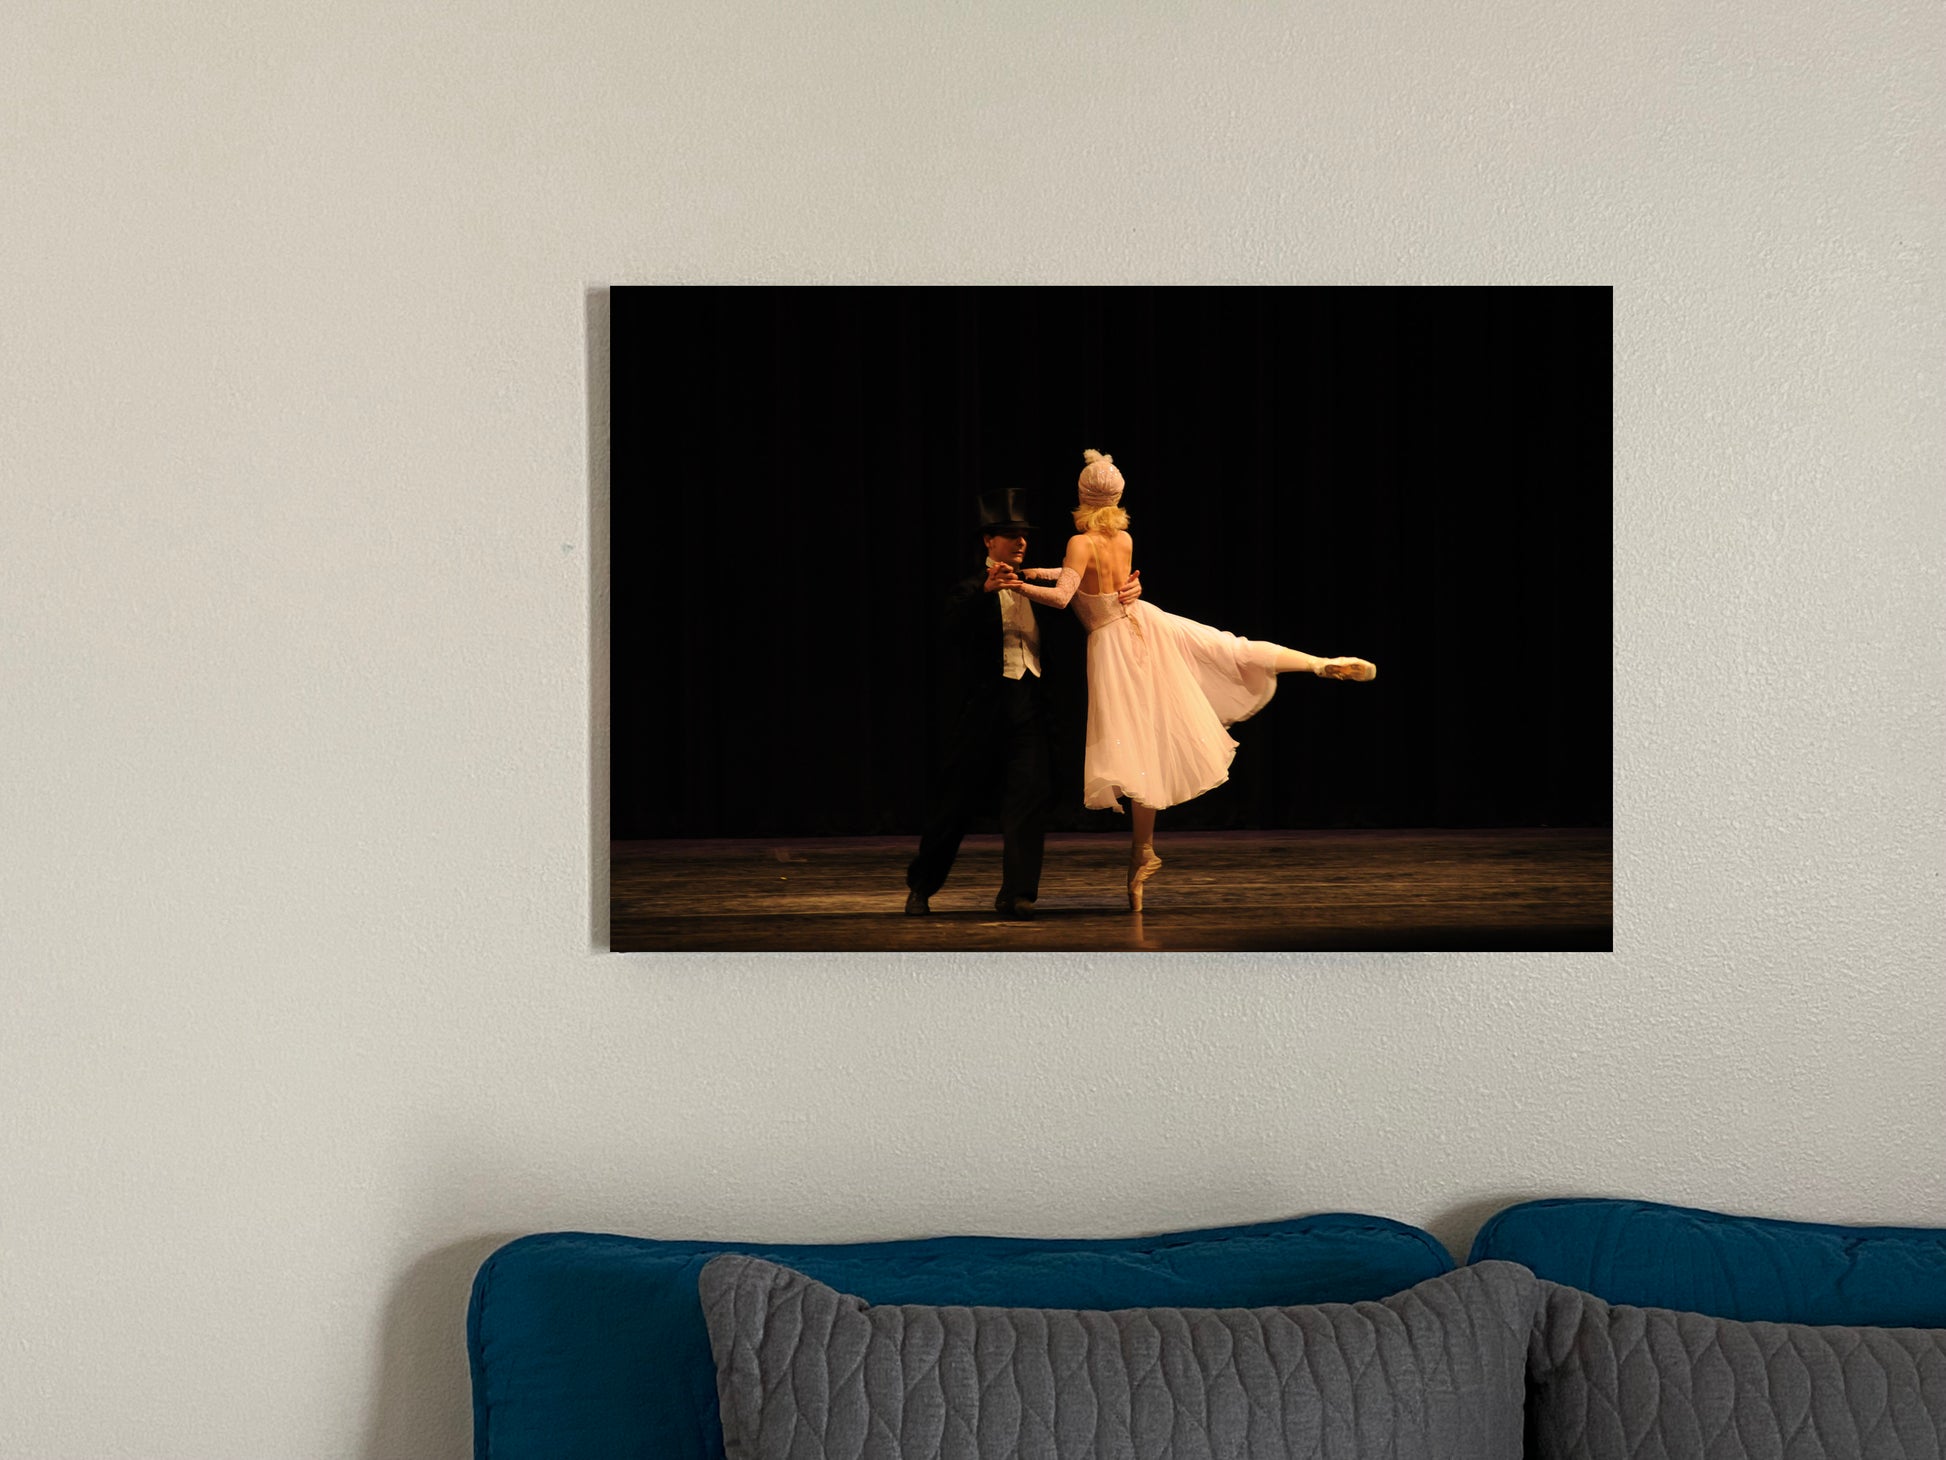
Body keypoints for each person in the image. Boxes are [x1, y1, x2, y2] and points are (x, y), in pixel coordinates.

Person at [999, 450, 1376, 911]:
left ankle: (1142, 851)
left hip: (1113, 645)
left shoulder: (1079, 542)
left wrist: (1018, 585)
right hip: (1144, 621)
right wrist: (1036, 572)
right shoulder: (1123, 538)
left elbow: (1063, 597)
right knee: (1226, 647)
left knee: (1138, 747)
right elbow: (1084, 582)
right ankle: (1318, 662)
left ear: (1081, 496)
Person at [905, 488, 1141, 920]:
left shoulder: (1037, 586)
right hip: (982, 711)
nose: (1021, 541)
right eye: (1011, 535)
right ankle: (922, 886)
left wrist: (1129, 588)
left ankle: (1017, 894)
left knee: (1028, 801)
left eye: (1024, 535)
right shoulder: (968, 588)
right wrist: (984, 594)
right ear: (988, 542)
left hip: (1028, 707)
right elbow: (949, 634)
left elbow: (1086, 595)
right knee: (954, 804)